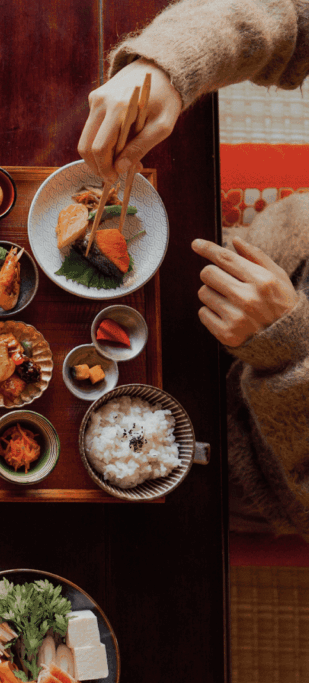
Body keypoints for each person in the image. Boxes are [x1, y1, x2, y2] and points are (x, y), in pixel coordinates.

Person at [77, 0, 309, 536]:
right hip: (238, 261)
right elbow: (290, 14)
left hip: (251, 458)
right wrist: (169, 65)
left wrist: (289, 349)